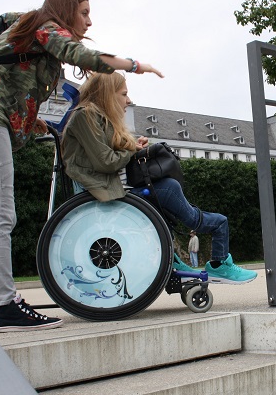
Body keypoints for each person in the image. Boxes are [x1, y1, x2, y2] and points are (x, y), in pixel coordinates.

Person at [0, 0, 163, 332]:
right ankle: (7, 306)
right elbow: (82, 56)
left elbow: (13, 82)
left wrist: (32, 120)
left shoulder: (28, 31)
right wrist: (135, 66)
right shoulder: (46, 27)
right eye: (84, 13)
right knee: (0, 218)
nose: (89, 21)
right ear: (66, 11)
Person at [61, 72, 258, 285]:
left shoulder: (95, 118)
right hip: (101, 196)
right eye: (124, 94)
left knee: (165, 190)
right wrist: (131, 150)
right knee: (172, 190)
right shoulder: (86, 116)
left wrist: (132, 147)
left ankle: (174, 258)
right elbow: (106, 161)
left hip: (107, 192)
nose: (128, 100)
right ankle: (217, 258)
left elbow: (106, 157)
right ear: (108, 94)